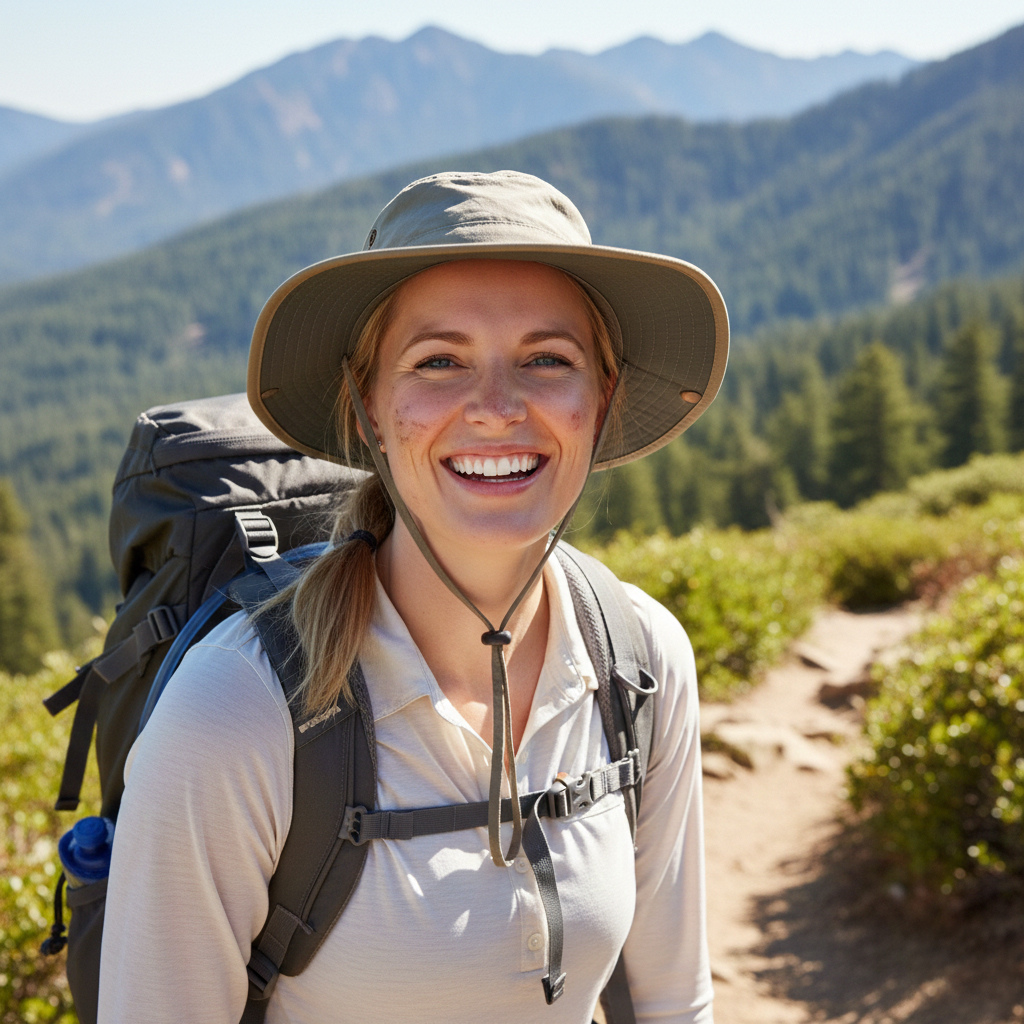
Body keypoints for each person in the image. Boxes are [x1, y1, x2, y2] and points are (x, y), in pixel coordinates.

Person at [97, 170, 728, 1023]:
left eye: (549, 359)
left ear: (602, 398)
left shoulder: (642, 660)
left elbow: (673, 1000)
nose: (498, 407)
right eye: (439, 362)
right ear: (368, 406)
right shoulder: (237, 711)